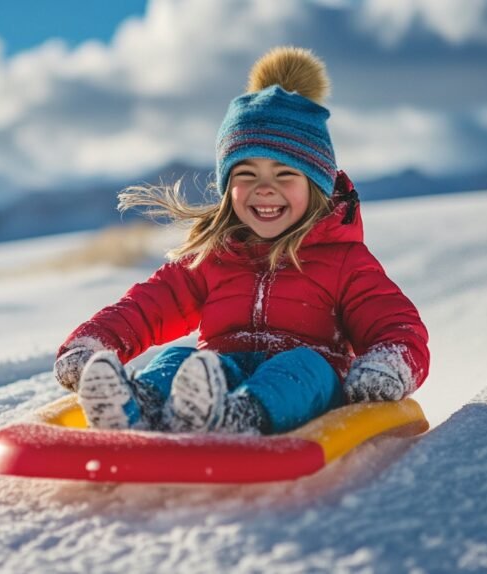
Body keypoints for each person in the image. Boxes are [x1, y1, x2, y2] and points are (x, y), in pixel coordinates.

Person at [53, 46, 429, 435]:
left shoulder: (344, 262)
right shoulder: (215, 257)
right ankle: (138, 408)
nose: (264, 189)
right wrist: (94, 342)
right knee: (179, 358)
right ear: (227, 186)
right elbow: (148, 305)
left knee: (303, 367)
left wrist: (387, 365)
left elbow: (395, 325)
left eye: (284, 174)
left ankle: (240, 418)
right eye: (246, 174)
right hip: (217, 380)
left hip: (307, 389)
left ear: (316, 185)